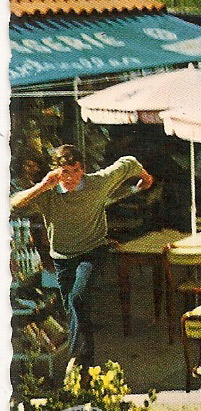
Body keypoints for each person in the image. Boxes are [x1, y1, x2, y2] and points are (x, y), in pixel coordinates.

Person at [9, 144, 153, 378]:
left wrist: (145, 178)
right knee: (76, 309)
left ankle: (77, 361)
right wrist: (43, 185)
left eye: (74, 171)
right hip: (62, 258)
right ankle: (86, 370)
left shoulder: (97, 183)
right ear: (56, 173)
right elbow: (14, 204)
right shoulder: (48, 195)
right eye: (64, 173)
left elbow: (127, 162)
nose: (70, 178)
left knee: (77, 297)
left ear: (82, 169)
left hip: (92, 251)